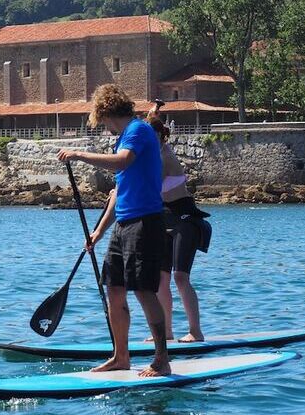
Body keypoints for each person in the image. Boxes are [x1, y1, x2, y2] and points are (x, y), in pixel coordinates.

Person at [57, 84, 170, 377]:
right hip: (123, 224)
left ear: (106, 113)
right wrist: (99, 232)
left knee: (144, 291)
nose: (103, 126)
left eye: (102, 121)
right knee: (114, 291)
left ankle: (161, 359)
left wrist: (80, 155)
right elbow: (119, 191)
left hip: (145, 222)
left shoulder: (138, 130)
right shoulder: (122, 138)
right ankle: (121, 357)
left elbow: (123, 162)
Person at [146, 102, 211, 343]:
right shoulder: (152, 152)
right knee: (160, 279)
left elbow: (150, 184)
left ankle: (195, 330)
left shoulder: (164, 157)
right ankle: (167, 332)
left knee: (180, 277)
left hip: (185, 220)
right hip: (163, 220)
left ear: (162, 137)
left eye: (153, 137)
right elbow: (149, 121)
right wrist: (154, 110)